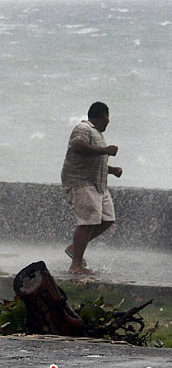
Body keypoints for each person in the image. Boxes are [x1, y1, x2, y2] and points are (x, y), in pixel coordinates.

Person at [60, 101, 122, 275]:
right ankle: (76, 265)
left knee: (107, 219)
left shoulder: (97, 133)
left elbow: (93, 159)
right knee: (87, 222)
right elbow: (77, 147)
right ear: (103, 115)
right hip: (80, 182)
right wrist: (105, 150)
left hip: (97, 184)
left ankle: (74, 248)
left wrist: (111, 170)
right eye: (108, 116)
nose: (108, 120)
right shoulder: (84, 128)